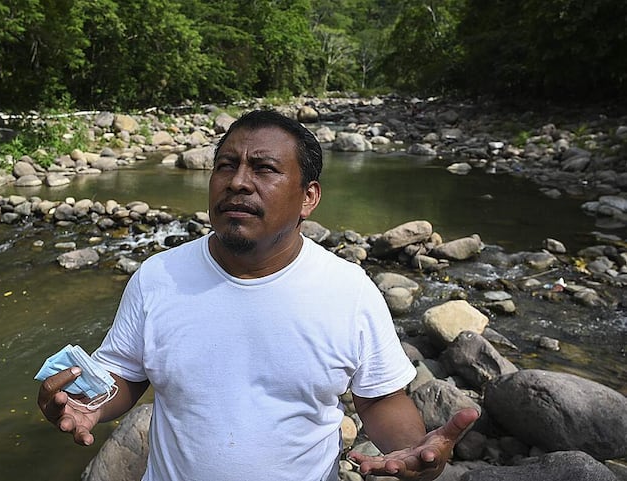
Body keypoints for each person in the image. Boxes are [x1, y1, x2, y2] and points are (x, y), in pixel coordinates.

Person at [38, 110, 479, 481]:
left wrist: (410, 451)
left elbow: (379, 397)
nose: (238, 183)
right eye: (226, 165)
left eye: (264, 169)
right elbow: (127, 375)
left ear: (309, 197)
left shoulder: (348, 291)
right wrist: (82, 403)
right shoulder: (159, 277)